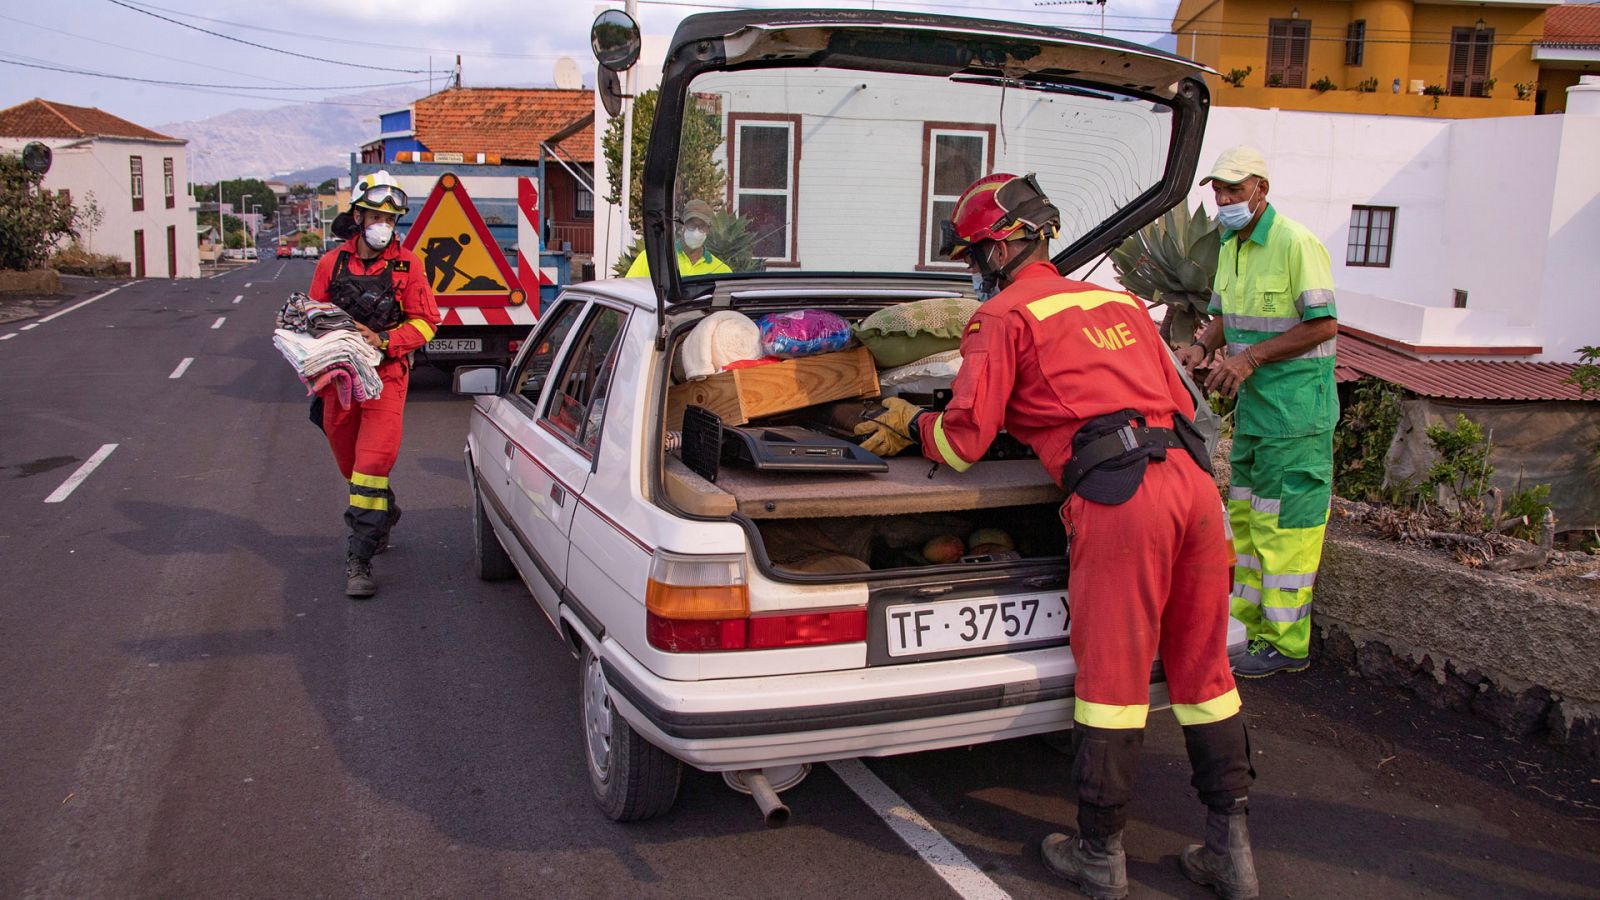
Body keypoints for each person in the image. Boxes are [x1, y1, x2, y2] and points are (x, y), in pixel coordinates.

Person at [856, 173, 1257, 900]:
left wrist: (911, 424)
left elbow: (964, 440)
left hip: (1120, 499)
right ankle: (1233, 853)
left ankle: (1100, 852)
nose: (975, 272)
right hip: (1193, 487)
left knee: (1112, 680)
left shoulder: (1002, 317)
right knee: (1205, 675)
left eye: (975, 256)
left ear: (1006, 245)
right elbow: (1170, 398)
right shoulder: (1122, 303)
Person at [1177, 146, 1338, 679]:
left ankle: (1287, 644)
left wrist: (1250, 359)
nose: (1224, 199)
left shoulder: (1296, 243)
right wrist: (1202, 346)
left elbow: (1323, 325)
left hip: (1296, 418)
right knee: (1247, 524)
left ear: (1260, 189)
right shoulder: (1231, 244)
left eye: (1234, 189)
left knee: (1285, 532)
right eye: (1218, 191)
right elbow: (1224, 313)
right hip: (1255, 415)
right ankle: (1246, 629)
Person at [309, 170, 441, 599]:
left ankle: (359, 557)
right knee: (352, 468)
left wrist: (384, 339)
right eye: (377, 216)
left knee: (371, 464)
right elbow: (311, 319)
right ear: (359, 216)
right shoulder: (331, 264)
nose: (384, 225)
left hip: (386, 377)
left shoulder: (409, 265)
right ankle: (382, 511)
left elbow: (427, 322)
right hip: (339, 382)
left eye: (392, 218)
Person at [624, 199, 732, 277]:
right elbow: (628, 295)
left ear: (708, 230)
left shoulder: (722, 271)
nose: (696, 231)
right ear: (682, 226)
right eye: (692, 225)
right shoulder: (651, 260)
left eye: (701, 227)